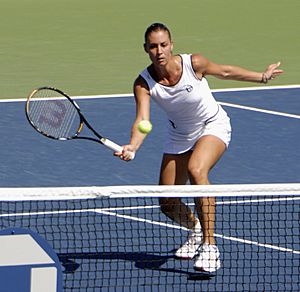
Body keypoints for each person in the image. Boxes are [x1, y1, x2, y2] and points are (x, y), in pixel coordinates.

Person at [115, 23, 283, 272]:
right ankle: (195, 229)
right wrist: (134, 145)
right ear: (146, 49)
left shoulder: (193, 64)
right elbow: (143, 120)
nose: (159, 51)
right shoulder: (143, 83)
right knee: (167, 203)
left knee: (197, 169)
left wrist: (262, 76)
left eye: (163, 45)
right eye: (153, 46)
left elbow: (225, 71)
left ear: (171, 45)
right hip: (179, 135)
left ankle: (209, 246)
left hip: (212, 125)